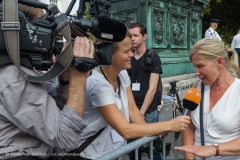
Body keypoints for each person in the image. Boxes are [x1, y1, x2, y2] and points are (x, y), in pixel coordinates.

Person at [0, 3, 95, 160]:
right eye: (42, 24)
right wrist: (79, 76)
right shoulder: (13, 77)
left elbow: (56, 116)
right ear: (21, 28)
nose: (49, 32)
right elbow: (67, 138)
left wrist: (65, 79)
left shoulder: (22, 68)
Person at [76, 32, 190, 160]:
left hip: (113, 151)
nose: (131, 54)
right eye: (126, 51)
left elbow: (132, 109)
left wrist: (151, 129)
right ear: (109, 54)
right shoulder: (98, 84)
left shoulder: (122, 74)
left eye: (132, 50)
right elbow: (125, 130)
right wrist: (169, 125)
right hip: (93, 155)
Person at [175, 38, 240, 160]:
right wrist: (189, 157)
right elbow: (189, 126)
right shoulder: (197, 87)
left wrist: (213, 149)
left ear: (219, 62)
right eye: (195, 67)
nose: (196, 73)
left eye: (200, 66)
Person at [127, 22, 163, 160]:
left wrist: (141, 112)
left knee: (152, 149)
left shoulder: (153, 57)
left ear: (144, 36)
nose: (132, 39)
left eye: (136, 35)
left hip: (147, 112)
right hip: (132, 111)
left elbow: (152, 88)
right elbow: (127, 85)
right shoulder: (128, 57)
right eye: (130, 35)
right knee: (132, 149)